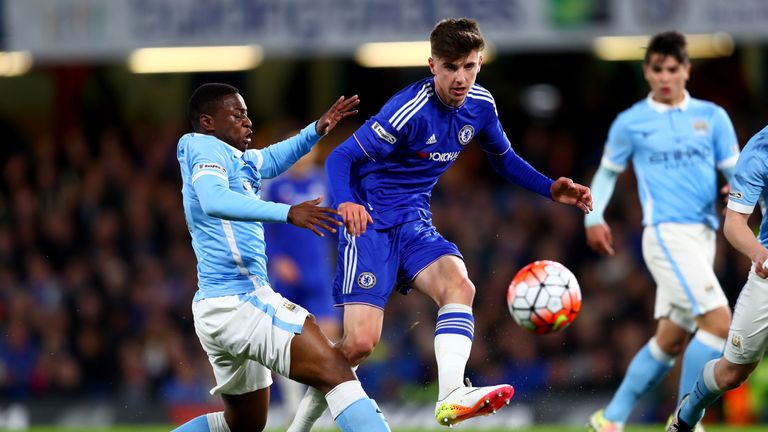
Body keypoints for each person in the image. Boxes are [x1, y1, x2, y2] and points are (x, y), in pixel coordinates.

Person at [288, 18, 593, 431]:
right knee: (359, 344)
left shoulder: (481, 106)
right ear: (432, 65)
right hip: (370, 223)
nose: (460, 77)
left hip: (413, 219)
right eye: (451, 67)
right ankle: (297, 428)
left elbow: (503, 158)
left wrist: (549, 188)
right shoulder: (407, 109)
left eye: (468, 66)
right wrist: (347, 204)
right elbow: (340, 157)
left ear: (480, 62)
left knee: (459, 285)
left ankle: (450, 394)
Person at [172, 82, 390, 432]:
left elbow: (273, 157)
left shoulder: (237, 160)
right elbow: (213, 200)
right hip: (239, 301)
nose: (247, 121)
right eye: (237, 114)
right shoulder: (202, 148)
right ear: (208, 121)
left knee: (244, 423)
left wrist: (316, 129)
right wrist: (287, 213)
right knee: (335, 369)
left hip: (221, 307)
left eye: (247, 113)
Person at [584, 31, 739, 432]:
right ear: (647, 72)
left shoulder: (712, 117)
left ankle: (609, 419)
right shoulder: (631, 123)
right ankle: (687, 421)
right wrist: (592, 216)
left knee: (671, 340)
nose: (665, 77)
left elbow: (735, 174)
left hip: (704, 237)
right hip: (666, 234)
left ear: (686, 70)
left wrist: (733, 191)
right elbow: (606, 173)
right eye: (657, 70)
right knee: (720, 323)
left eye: (673, 69)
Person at [667, 126, 767, 432]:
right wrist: (760, 254)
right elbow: (735, 224)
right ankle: (687, 416)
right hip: (767, 274)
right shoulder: (760, 151)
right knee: (731, 375)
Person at [263, 143, 341, 416]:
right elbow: (262, 228)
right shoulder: (274, 186)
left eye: (306, 149)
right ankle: (294, 406)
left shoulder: (325, 183)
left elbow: (336, 227)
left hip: (319, 275)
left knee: (330, 341)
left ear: (316, 153)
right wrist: (276, 258)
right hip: (287, 278)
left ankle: (321, 406)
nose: (301, 155)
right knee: (286, 343)